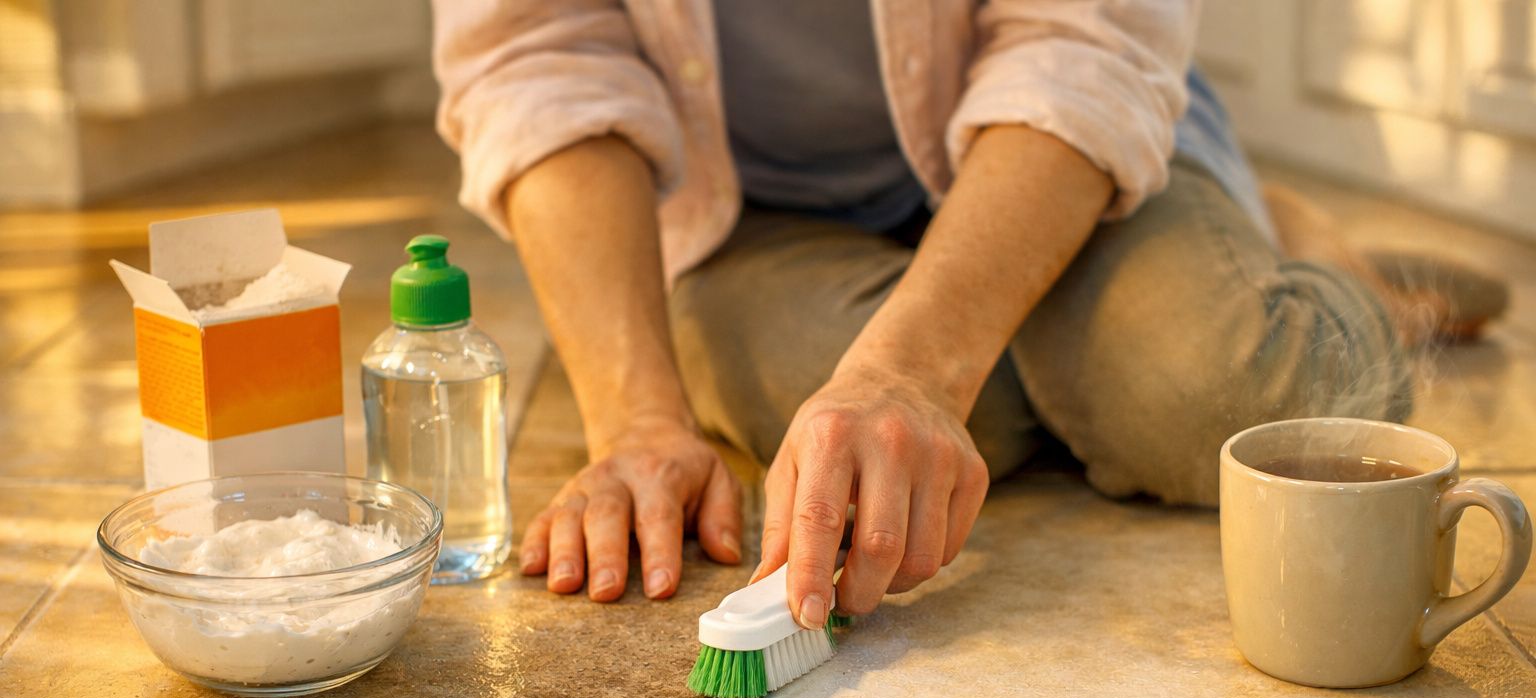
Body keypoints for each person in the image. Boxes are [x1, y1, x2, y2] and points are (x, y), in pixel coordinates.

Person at [431, 1, 1446, 628]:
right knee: (845, 424)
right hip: (755, 202)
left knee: (1216, 388)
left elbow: (1082, 40)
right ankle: (1095, 316)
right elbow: (535, 56)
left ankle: (1295, 236)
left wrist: (913, 373)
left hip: (1058, 127)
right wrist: (638, 418)